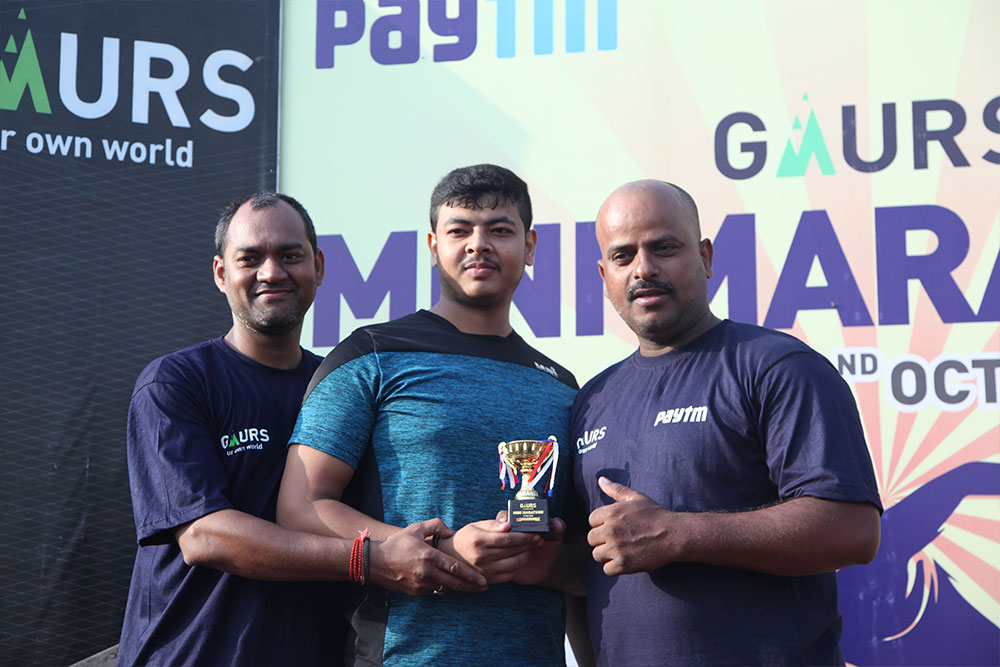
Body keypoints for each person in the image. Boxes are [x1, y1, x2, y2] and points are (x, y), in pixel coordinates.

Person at [118, 193, 483, 667]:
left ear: (319, 266)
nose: (271, 273)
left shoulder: (345, 385)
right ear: (221, 273)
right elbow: (204, 536)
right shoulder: (176, 383)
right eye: (250, 258)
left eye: (290, 255)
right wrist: (369, 559)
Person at [277, 164, 580, 666]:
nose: (478, 245)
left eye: (499, 230)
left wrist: (546, 564)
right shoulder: (370, 355)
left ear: (529, 247)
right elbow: (299, 507)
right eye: (459, 230)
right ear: (433, 246)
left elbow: (580, 561)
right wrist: (439, 551)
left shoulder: (562, 386)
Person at [571, 179, 883, 666]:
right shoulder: (591, 399)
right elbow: (592, 565)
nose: (643, 269)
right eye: (623, 256)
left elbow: (853, 529)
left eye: (664, 248)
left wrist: (678, 533)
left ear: (706, 257)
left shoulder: (778, 366)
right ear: (603, 273)